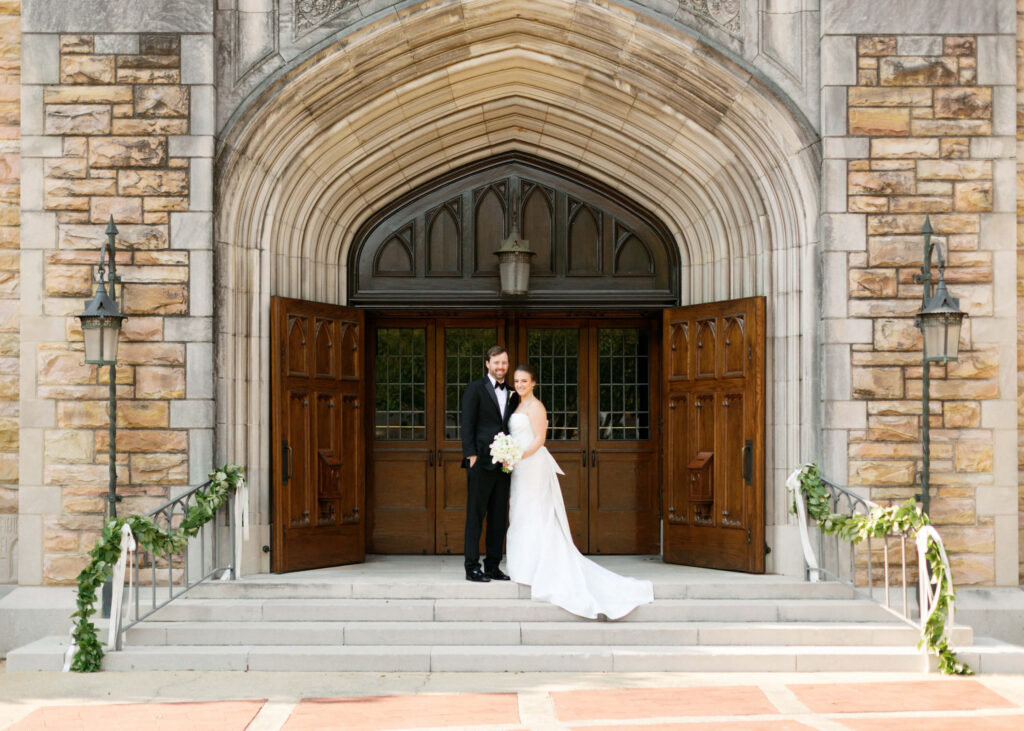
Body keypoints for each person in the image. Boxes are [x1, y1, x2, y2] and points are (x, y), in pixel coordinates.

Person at [505, 364, 654, 618]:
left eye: (524, 381)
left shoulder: (537, 407)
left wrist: (518, 455)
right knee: (520, 512)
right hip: (519, 467)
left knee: (535, 512)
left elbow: (539, 439)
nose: (519, 385)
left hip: (532, 464)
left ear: (533, 383)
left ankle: (539, 566)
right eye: (517, 381)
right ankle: (523, 565)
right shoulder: (516, 405)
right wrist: (509, 455)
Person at [460, 345, 518, 582]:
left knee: (498, 518)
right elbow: (467, 423)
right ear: (487, 364)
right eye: (496, 362)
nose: (500, 367)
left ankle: (493, 566)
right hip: (481, 462)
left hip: (504, 465)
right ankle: (472, 567)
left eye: (504, 362)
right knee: (475, 515)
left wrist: (511, 456)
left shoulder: (513, 392)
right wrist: (471, 455)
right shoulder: (475, 388)